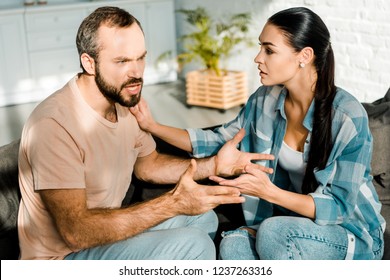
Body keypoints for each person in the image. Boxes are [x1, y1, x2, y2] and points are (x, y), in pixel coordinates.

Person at [17, 6, 275, 260]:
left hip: (103, 238)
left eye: (140, 57)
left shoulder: (121, 101)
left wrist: (214, 165)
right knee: (193, 245)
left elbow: (148, 165)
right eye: (122, 61)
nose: (137, 72)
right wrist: (173, 203)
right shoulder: (53, 125)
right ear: (89, 63)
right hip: (62, 258)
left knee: (202, 217)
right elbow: (77, 233)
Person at [131, 7, 386, 260]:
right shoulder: (265, 98)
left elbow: (338, 208)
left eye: (269, 50)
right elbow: (221, 140)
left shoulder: (347, 116)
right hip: (293, 225)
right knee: (233, 245)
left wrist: (268, 192)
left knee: (273, 232)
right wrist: (153, 126)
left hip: (351, 234)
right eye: (260, 47)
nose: (257, 58)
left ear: (304, 56)